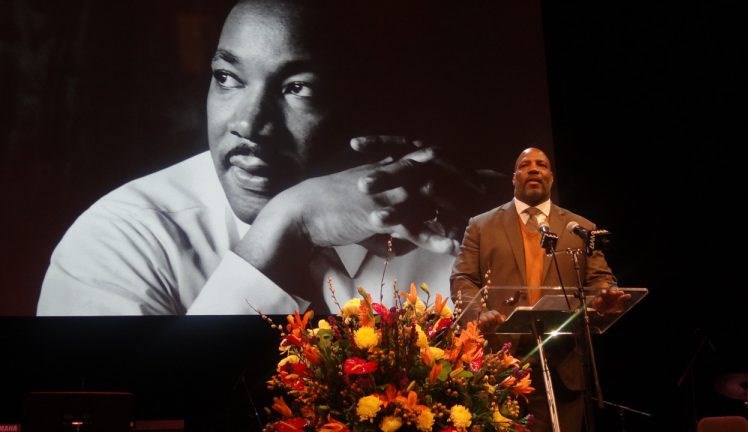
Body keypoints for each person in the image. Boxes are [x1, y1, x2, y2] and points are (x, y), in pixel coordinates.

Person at [37, 0, 492, 316]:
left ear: (370, 105)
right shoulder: (124, 239)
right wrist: (286, 229)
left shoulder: (462, 227)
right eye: (227, 77)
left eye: (298, 88)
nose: (250, 125)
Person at [450, 147, 629, 432]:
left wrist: (604, 297)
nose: (534, 169)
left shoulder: (580, 228)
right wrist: (480, 313)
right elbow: (462, 279)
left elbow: (599, 280)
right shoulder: (481, 226)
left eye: (541, 164)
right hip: (501, 362)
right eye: (525, 165)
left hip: (564, 362)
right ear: (514, 178)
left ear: (551, 176)